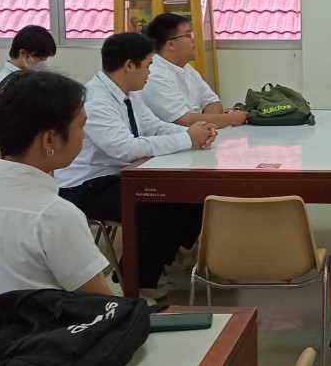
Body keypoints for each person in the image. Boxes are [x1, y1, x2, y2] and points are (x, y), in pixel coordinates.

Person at [54, 33, 217, 298]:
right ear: (129, 65)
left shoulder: (128, 94)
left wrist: (193, 132)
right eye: (148, 65)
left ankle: (156, 264)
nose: (150, 72)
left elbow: (153, 126)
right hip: (85, 186)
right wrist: (187, 138)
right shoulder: (95, 100)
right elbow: (125, 149)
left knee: (191, 195)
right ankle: (132, 281)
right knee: (155, 205)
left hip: (121, 176)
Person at [0, 70, 112, 298]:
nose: (84, 136)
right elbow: (103, 304)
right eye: (81, 126)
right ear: (49, 139)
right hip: (53, 319)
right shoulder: (55, 214)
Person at [140, 13, 248, 128]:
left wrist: (206, 125)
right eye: (188, 35)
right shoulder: (154, 73)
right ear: (171, 44)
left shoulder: (186, 67)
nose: (194, 40)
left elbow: (213, 103)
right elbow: (182, 120)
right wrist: (231, 119)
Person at [0, 25, 57, 93]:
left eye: (46, 58)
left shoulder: (27, 76)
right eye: (40, 58)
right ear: (23, 53)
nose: (44, 62)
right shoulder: (7, 83)